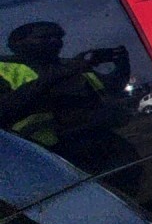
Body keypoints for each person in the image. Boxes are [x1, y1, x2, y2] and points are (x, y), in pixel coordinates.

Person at [0, 22, 131, 160]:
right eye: (44, 37)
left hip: (102, 144)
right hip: (44, 156)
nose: (55, 41)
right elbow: (5, 108)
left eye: (58, 37)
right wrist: (58, 75)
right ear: (17, 43)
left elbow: (111, 87)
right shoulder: (4, 69)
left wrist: (122, 65)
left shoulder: (72, 64)